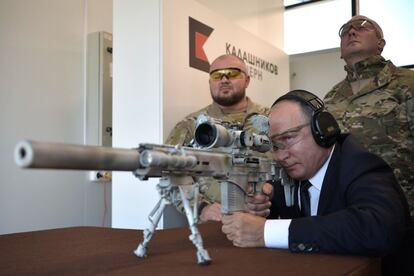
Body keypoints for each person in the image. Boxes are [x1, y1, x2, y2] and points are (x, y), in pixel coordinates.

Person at [222, 90, 412, 275]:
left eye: (288, 138)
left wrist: (266, 231)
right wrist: (260, 209)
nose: (280, 155)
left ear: (322, 130)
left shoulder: (361, 166)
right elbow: (274, 214)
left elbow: (378, 229)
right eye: (275, 145)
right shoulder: (291, 171)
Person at [323, 15, 414, 219]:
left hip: (403, 212)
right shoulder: (330, 97)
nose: (352, 31)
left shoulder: (407, 83)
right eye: (345, 30)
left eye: (362, 27)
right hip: (347, 214)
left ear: (381, 44)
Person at [166, 54, 269, 222]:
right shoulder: (192, 126)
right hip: (216, 225)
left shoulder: (271, 119)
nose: (224, 79)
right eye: (216, 75)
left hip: (270, 224)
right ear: (210, 82)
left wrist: (273, 194)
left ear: (247, 80)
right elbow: (169, 170)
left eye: (233, 73)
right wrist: (201, 207)